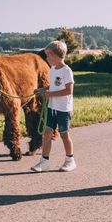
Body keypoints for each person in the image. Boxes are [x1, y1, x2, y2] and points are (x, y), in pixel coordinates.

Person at [31, 40, 76, 172]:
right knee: (47, 134)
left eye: (48, 56)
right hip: (52, 107)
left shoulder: (67, 71)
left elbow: (68, 90)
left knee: (64, 135)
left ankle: (70, 160)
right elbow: (54, 86)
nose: (47, 58)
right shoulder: (53, 70)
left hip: (63, 109)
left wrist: (50, 94)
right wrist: (43, 90)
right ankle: (44, 162)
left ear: (55, 56)